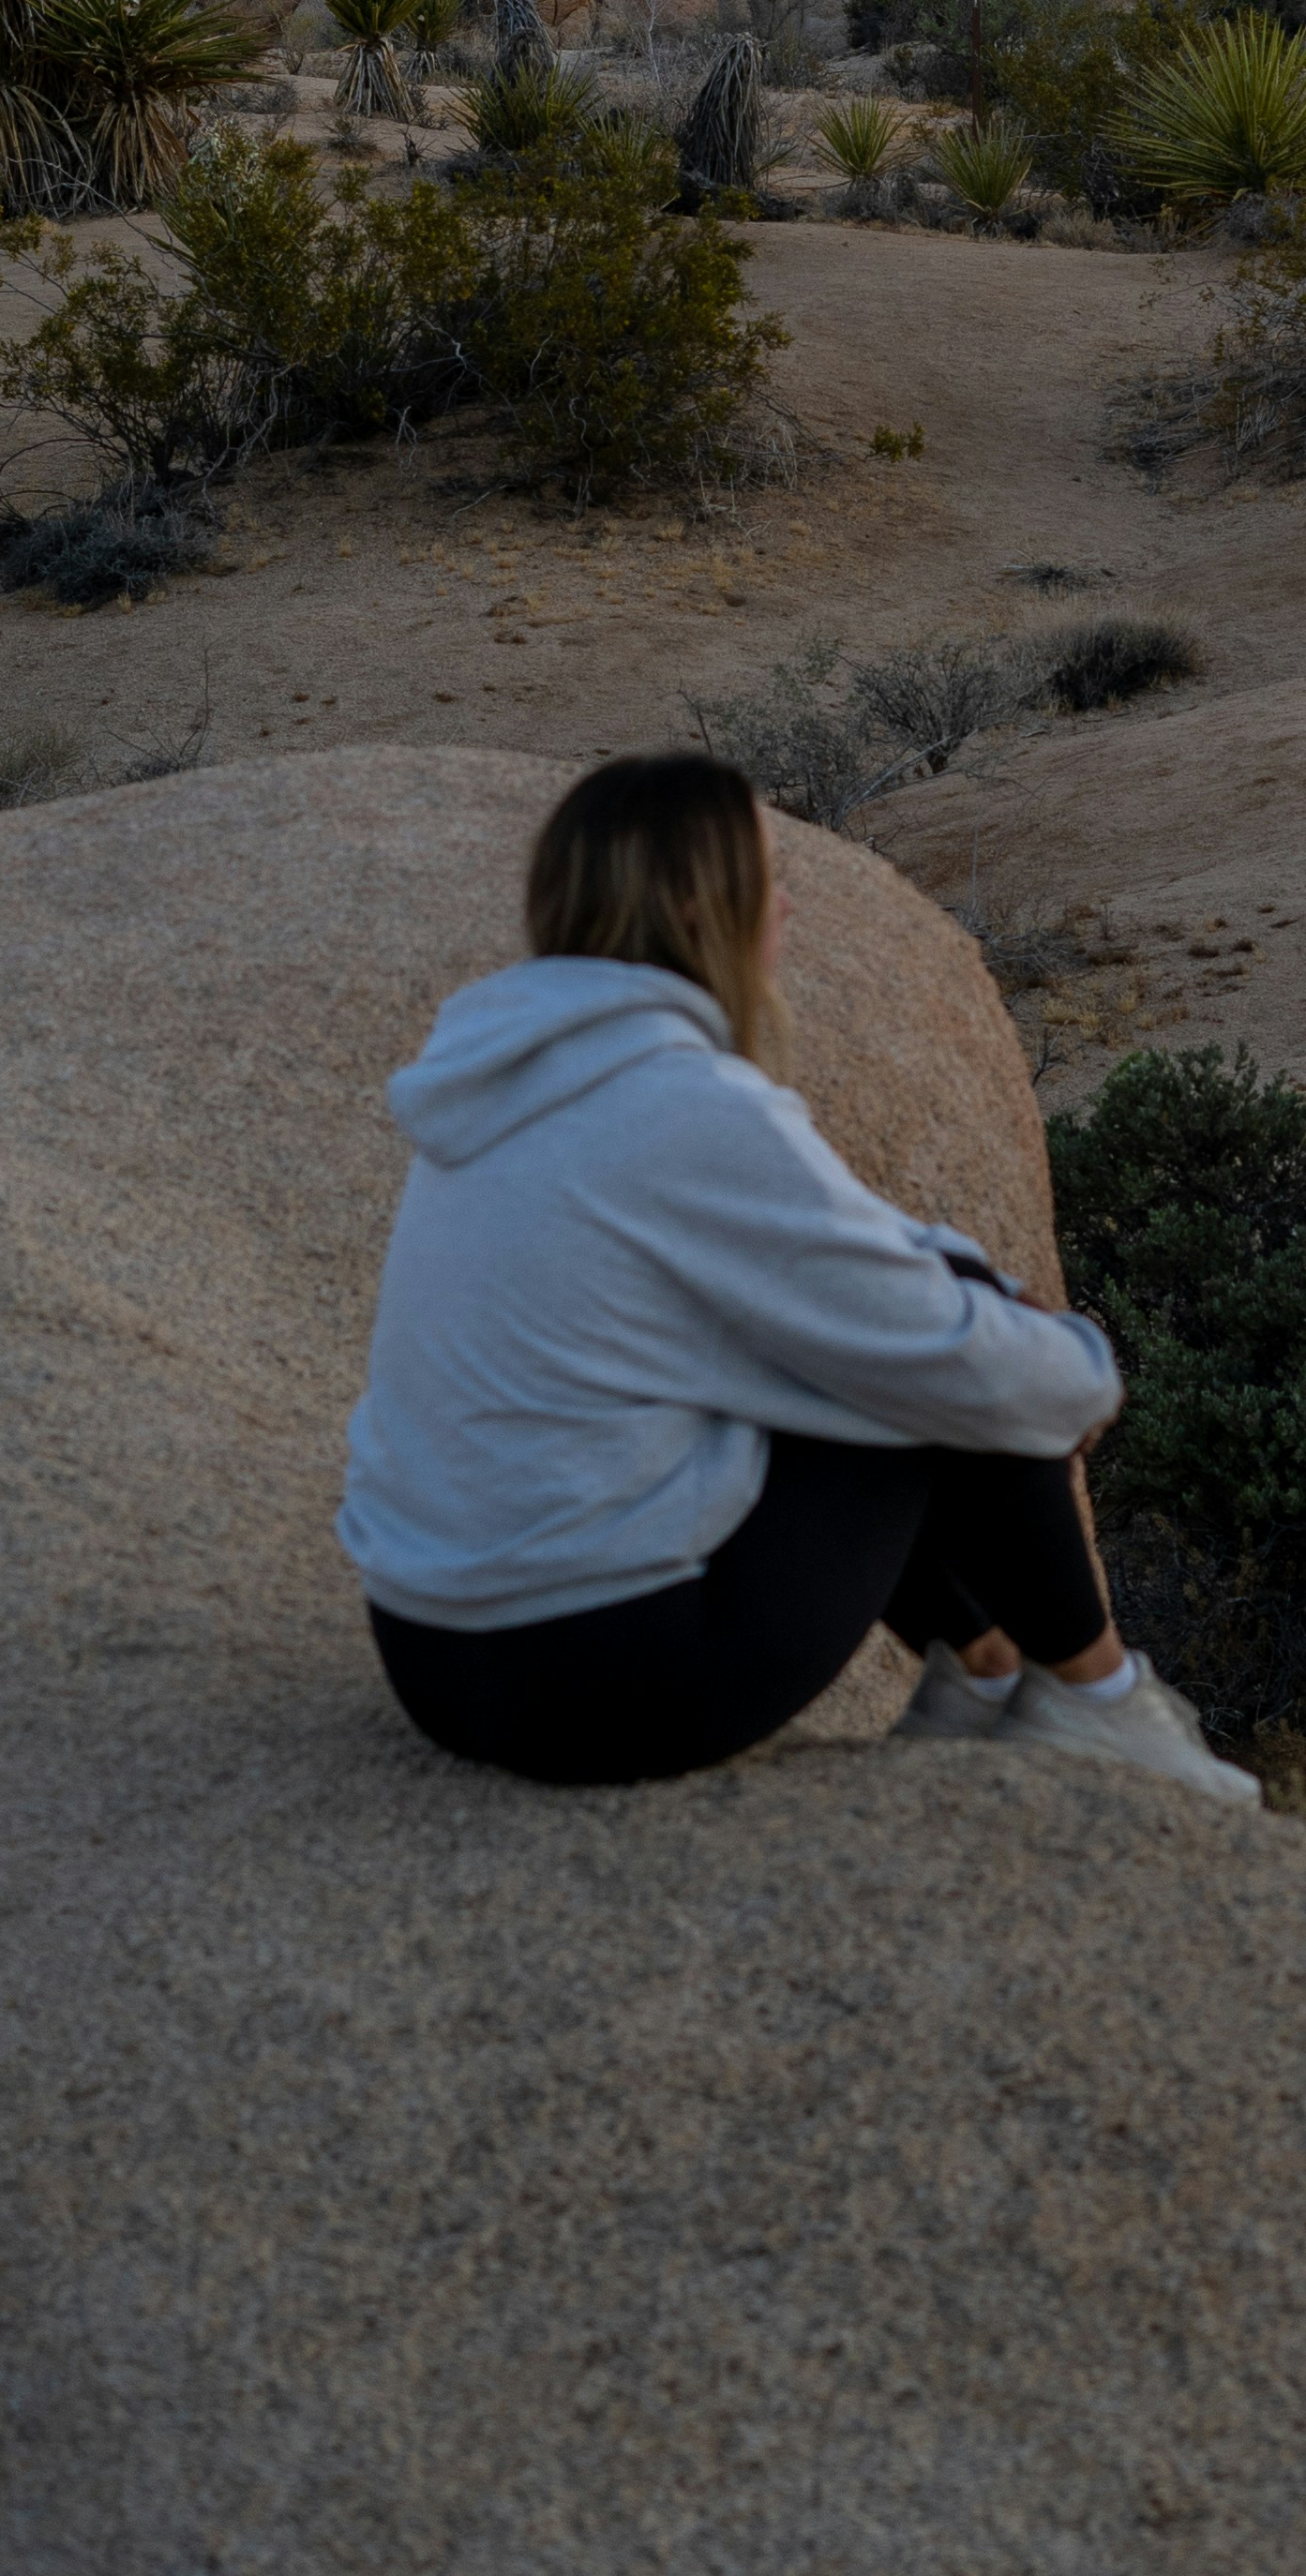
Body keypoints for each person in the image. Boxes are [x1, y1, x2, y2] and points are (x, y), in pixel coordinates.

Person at [342, 750, 1255, 1804]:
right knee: (941, 1376)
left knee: (894, 1336)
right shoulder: (681, 1104)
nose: (785, 906)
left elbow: (859, 1273)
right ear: (700, 909)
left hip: (434, 1659)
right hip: (596, 1687)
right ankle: (1099, 1706)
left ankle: (988, 1672)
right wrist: (1081, 1372)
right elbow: (938, 1349)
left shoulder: (498, 1080)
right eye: (766, 877)